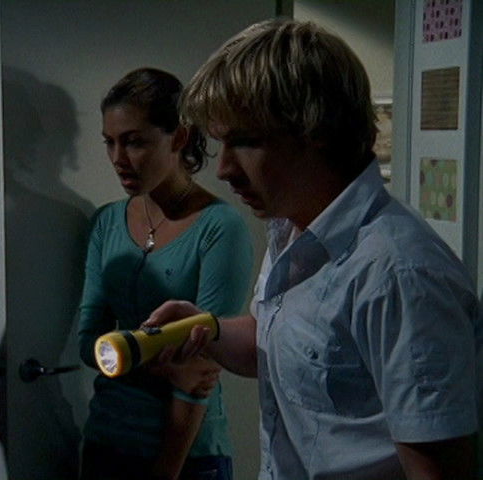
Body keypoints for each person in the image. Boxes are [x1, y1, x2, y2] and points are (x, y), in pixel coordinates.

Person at [147, 18, 482, 479]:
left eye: (245, 142)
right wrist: (207, 328)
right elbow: (279, 344)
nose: (223, 169)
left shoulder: (398, 275)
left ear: (315, 129)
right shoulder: (291, 228)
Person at [77, 68, 254, 480]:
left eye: (134, 142)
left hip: (188, 453)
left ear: (178, 138)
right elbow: (89, 342)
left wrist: (166, 470)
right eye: (110, 142)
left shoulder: (218, 228)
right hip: (108, 437)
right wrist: (159, 361)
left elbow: (202, 367)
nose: (118, 158)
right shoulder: (107, 222)